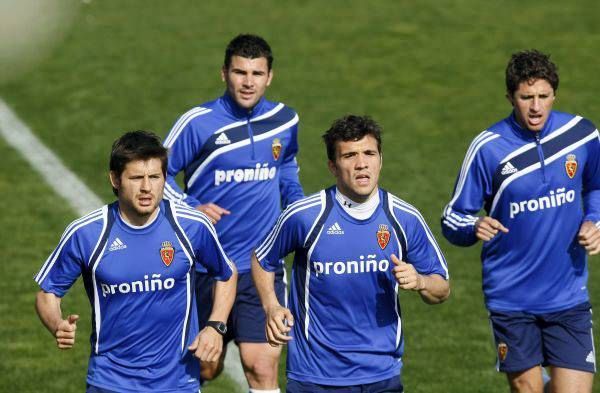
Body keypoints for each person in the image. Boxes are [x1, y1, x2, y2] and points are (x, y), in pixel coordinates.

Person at [251, 115, 450, 393]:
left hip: (382, 374)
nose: (361, 164)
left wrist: (420, 282)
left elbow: (441, 289)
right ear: (333, 166)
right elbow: (262, 258)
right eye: (349, 155)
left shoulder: (404, 218)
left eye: (369, 153)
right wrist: (272, 306)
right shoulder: (305, 216)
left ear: (380, 159)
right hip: (315, 376)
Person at [441, 50, 600, 393]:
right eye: (526, 97)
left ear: (554, 94)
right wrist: (473, 227)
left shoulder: (582, 135)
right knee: (528, 389)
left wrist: (595, 220)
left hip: (568, 295)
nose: (536, 107)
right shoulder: (488, 148)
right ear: (510, 97)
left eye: (543, 96)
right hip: (511, 298)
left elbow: (596, 185)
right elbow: (452, 217)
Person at [34, 130, 237, 393]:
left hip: (178, 382)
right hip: (110, 382)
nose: (146, 188)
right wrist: (56, 324)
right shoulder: (87, 234)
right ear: (115, 179)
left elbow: (227, 273)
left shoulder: (191, 225)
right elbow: (48, 292)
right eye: (136, 178)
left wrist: (215, 326)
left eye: (154, 177)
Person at [163, 33, 303, 392]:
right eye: (240, 72)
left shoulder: (285, 120)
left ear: (269, 76)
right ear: (224, 73)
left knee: (261, 368)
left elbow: (286, 167)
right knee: (203, 367)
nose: (248, 81)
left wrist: (298, 211)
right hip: (207, 266)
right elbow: (154, 174)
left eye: (257, 73)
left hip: (261, 267)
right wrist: (192, 207)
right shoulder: (197, 122)